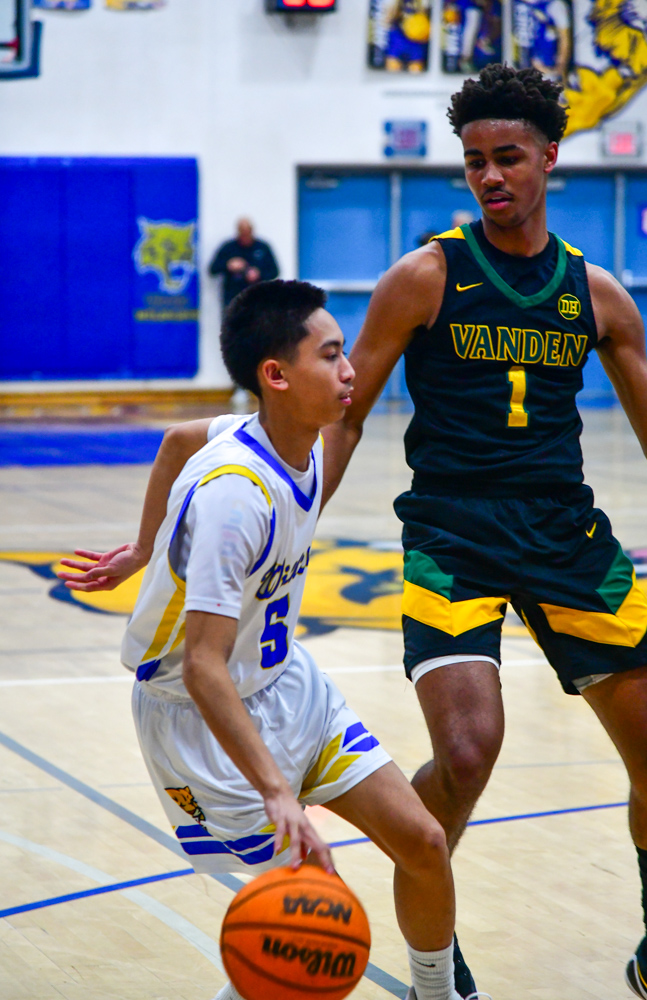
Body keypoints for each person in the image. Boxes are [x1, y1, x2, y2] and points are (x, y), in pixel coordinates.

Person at [320, 64, 647, 1000]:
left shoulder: (596, 294)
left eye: (506, 157)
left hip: (564, 535)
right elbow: (345, 418)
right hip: (452, 534)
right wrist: (292, 517)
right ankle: (431, 957)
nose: (488, 176)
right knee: (468, 753)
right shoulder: (423, 276)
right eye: (473, 161)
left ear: (549, 157)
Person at [58, 280, 486, 1000]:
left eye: (344, 353)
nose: (350, 369)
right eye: (331, 354)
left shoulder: (286, 438)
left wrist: (143, 548)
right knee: (302, 925)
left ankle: (437, 994)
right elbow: (203, 667)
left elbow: (175, 440)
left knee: (423, 841)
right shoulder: (236, 497)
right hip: (202, 722)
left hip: (286, 683)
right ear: (276, 375)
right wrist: (277, 791)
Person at [209, 219, 280, 410]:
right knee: (237, 348)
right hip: (234, 306)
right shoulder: (229, 248)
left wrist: (258, 273)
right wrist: (228, 265)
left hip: (258, 305)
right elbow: (213, 269)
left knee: (261, 346)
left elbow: (274, 271)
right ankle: (239, 387)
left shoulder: (262, 248)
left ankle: (263, 387)